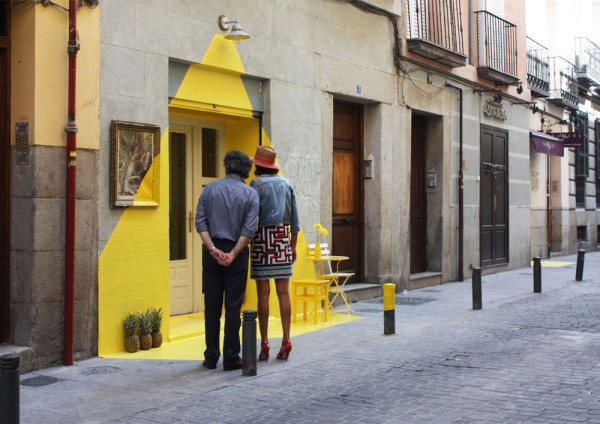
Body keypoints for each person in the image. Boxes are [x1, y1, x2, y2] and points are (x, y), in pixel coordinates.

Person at [195, 150, 259, 371]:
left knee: (211, 306)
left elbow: (200, 222)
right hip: (237, 254)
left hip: (212, 253)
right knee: (233, 307)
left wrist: (212, 248)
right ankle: (231, 357)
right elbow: (249, 229)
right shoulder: (251, 194)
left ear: (226, 166)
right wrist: (232, 254)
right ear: (246, 170)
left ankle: (211, 356)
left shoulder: (210, 189)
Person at [249, 146, 300, 362]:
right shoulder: (286, 183)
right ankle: (286, 340)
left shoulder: (256, 183)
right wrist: (293, 246)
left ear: (259, 165)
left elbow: (251, 216)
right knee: (283, 292)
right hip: (281, 239)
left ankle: (264, 343)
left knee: (263, 294)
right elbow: (295, 221)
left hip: (262, 240)